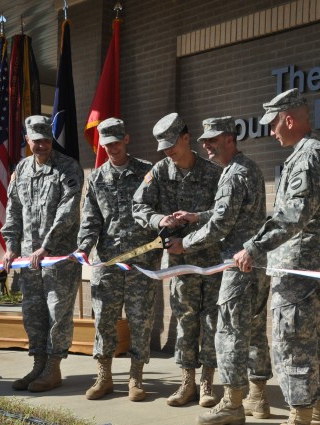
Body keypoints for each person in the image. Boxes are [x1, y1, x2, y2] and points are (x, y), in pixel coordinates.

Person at [233, 88, 320, 425]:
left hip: (299, 267)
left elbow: (293, 214)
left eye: (274, 123)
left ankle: (300, 416)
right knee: (311, 342)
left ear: (289, 119)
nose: (270, 131)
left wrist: (253, 246)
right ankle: (317, 413)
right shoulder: (310, 155)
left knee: (291, 342)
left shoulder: (308, 158)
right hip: (310, 267)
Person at [166, 117, 273, 425]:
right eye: (204, 140)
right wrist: (196, 214)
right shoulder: (247, 168)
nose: (206, 145)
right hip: (255, 263)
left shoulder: (233, 173)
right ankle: (258, 398)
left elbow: (222, 224)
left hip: (237, 266)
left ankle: (231, 404)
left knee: (230, 334)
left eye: (213, 139)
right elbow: (226, 211)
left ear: (230, 139)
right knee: (253, 332)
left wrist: (184, 244)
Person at [132, 112, 223, 408]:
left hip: (210, 260)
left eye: (172, 143)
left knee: (210, 320)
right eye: (164, 146)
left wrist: (198, 224)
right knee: (184, 319)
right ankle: (187, 382)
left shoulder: (214, 172)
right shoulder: (159, 172)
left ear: (186, 137)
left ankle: (207, 382)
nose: (168, 151)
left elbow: (224, 212)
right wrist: (160, 219)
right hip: (178, 261)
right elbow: (139, 205)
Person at [75, 117, 161, 401]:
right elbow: (91, 220)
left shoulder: (148, 173)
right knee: (104, 319)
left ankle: (136, 378)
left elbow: (159, 213)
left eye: (116, 142)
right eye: (106, 144)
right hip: (108, 262)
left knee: (141, 320)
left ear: (126, 139)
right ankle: (104, 377)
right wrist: (84, 247)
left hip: (141, 263)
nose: (112, 148)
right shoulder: (97, 178)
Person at [1, 115, 84, 393]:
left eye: (46, 140)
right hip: (29, 259)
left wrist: (46, 245)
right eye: (36, 141)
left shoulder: (68, 167)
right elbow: (13, 209)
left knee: (57, 311)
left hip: (58, 257)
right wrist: (11, 246)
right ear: (28, 141)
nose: (42, 145)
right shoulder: (21, 169)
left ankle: (53, 368)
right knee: (32, 312)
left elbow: (68, 211)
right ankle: (38, 364)